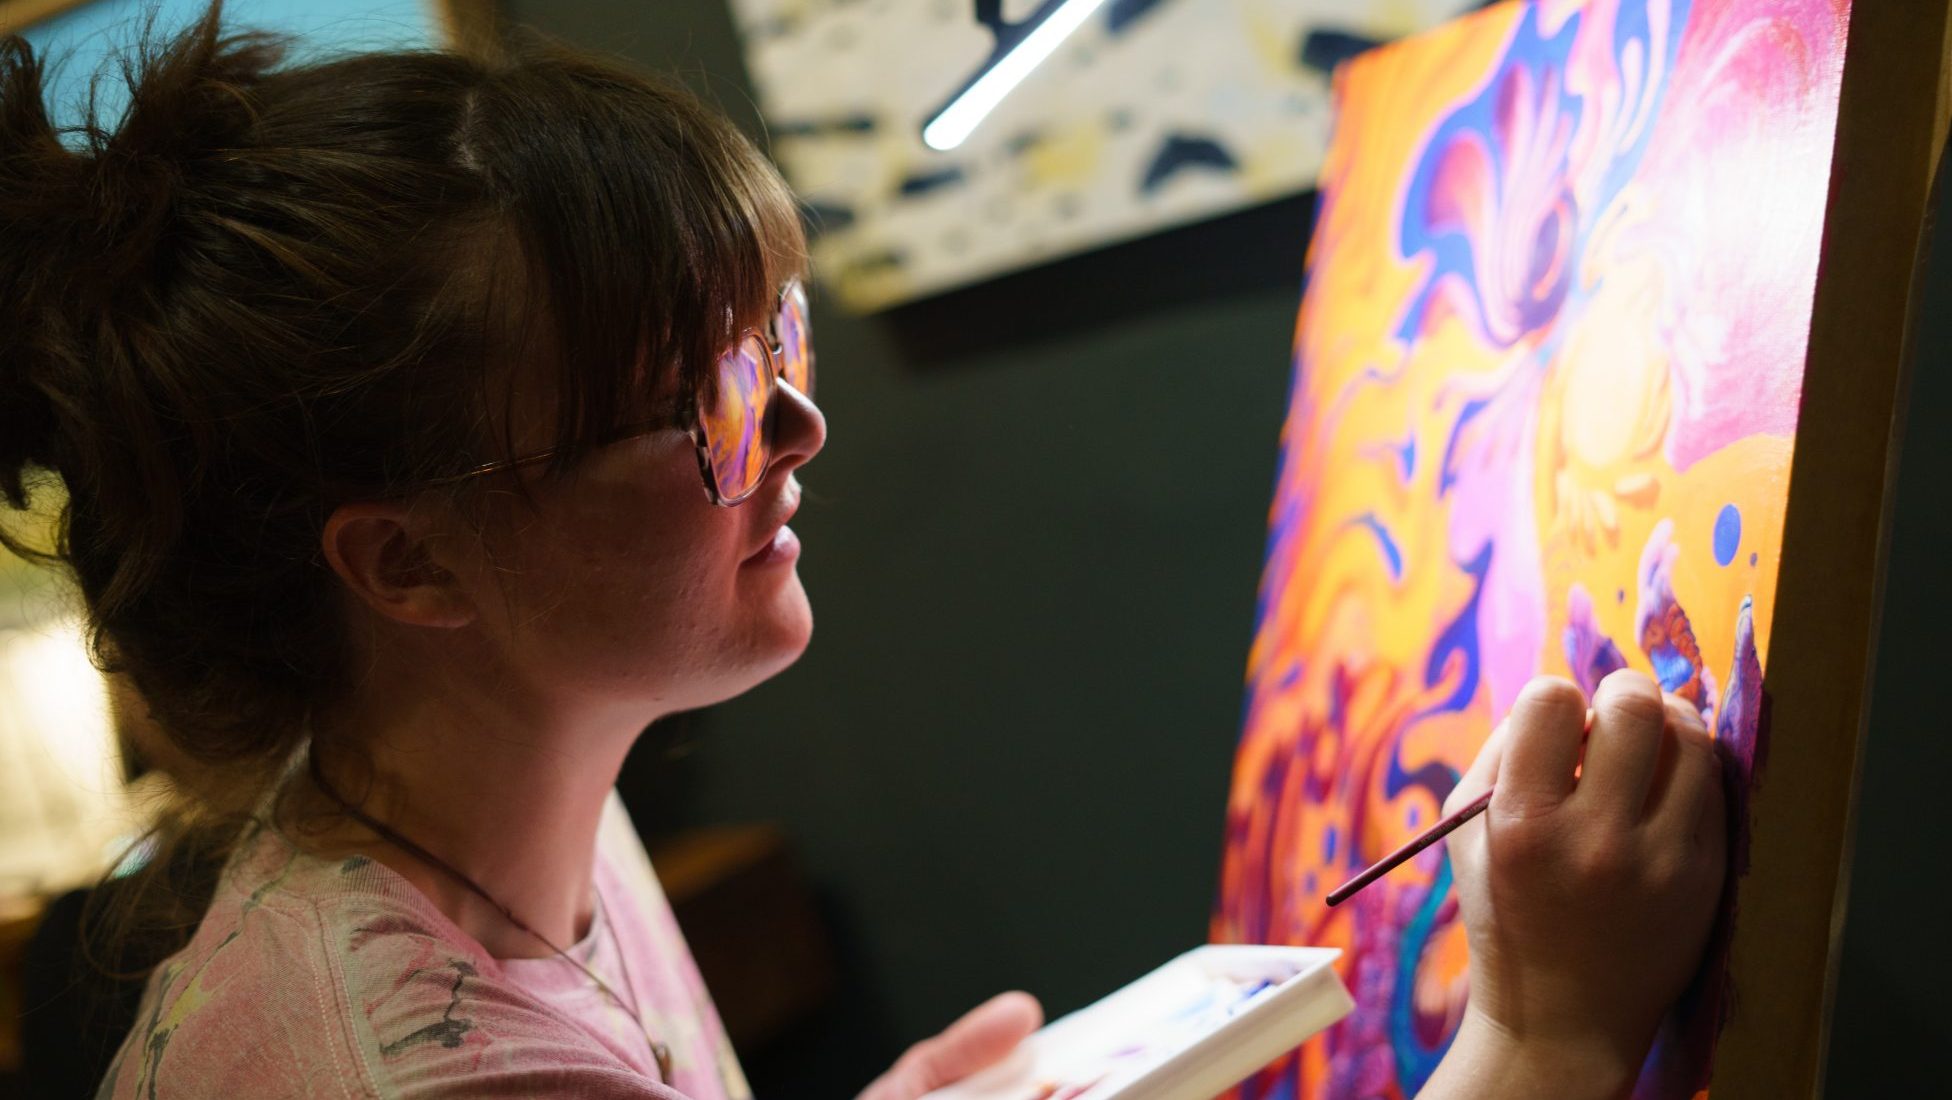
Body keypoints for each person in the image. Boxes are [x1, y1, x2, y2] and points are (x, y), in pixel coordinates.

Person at [0, 5, 1727, 1098]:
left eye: (780, 347)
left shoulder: (504, 805)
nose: (801, 434)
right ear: (410, 566)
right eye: (705, 408)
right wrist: (1551, 1032)